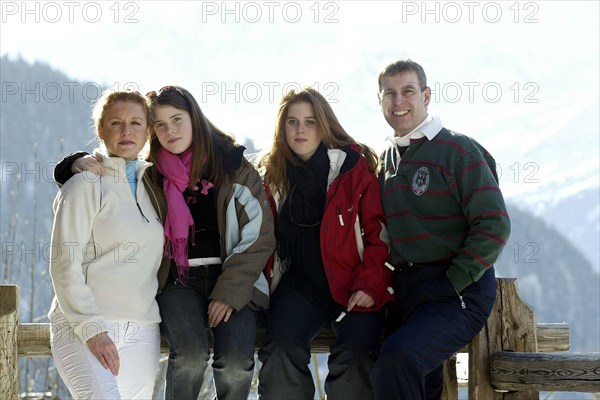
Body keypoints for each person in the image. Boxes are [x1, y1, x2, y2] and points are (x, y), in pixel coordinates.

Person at [53, 85, 276, 400]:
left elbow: (260, 235)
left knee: (237, 363)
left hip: (223, 284)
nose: (170, 130)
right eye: (159, 124)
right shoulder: (152, 175)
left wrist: (230, 291)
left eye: (177, 119)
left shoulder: (230, 168)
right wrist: (72, 164)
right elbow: (106, 178)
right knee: (190, 356)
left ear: (194, 118)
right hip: (174, 283)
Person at [371, 59, 511, 400]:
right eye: (389, 93)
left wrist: (455, 280)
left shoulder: (458, 150)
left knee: (399, 357)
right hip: (407, 290)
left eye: (408, 91)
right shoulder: (386, 159)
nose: (398, 101)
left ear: (427, 95)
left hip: (457, 291)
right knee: (420, 382)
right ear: (380, 101)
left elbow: (494, 224)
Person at [256, 87, 394, 400]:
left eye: (310, 121)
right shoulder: (272, 176)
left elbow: (380, 237)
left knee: (356, 353)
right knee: (279, 349)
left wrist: (371, 285)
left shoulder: (355, 171)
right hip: (301, 285)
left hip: (353, 284)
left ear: (325, 125)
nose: (300, 129)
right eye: (292, 122)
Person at [48, 90, 167, 399]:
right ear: (100, 130)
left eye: (136, 123)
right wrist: (92, 329)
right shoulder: (85, 183)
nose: (126, 131)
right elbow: (64, 263)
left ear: (148, 131)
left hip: (143, 327)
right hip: (86, 326)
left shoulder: (155, 187)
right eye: (116, 122)